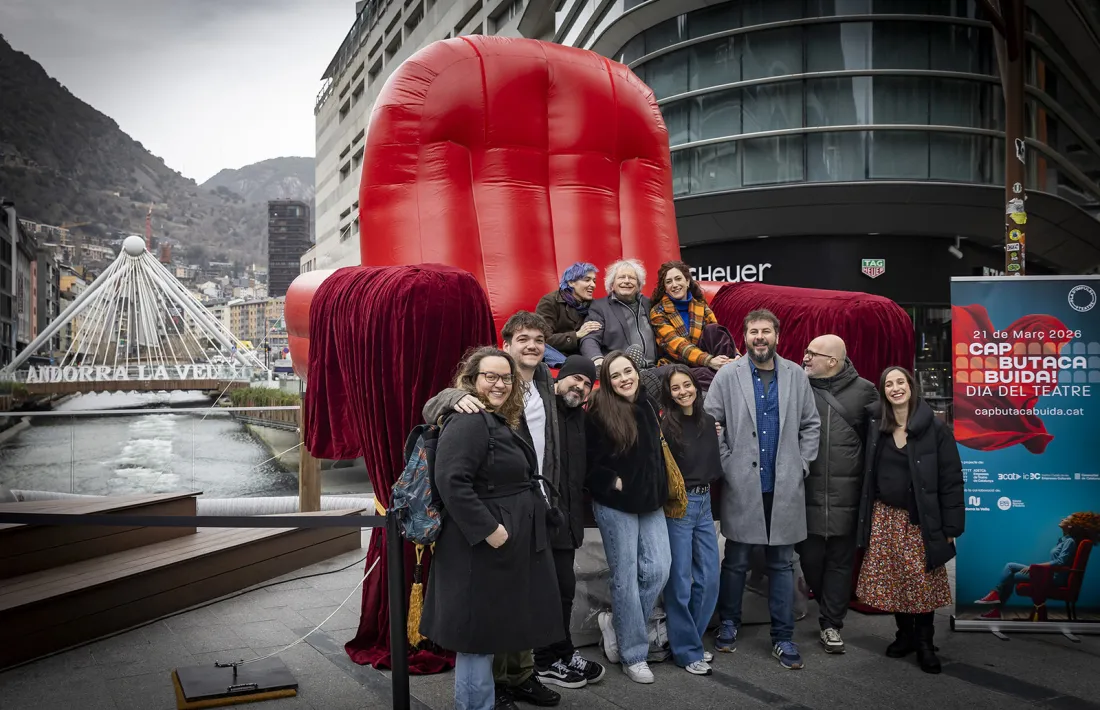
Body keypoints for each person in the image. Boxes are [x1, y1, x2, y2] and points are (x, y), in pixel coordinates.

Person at [423, 313, 595, 706]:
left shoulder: (543, 384)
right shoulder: (469, 412)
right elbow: (450, 470)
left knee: (524, 606)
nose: (532, 345)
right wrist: (452, 398)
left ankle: (519, 677)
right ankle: (493, 690)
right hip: (496, 526)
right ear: (506, 345)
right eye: (523, 338)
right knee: (489, 619)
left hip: (536, 516)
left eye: (539, 339)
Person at [703, 309, 820, 670]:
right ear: (745, 337)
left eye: (766, 331)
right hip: (742, 484)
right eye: (753, 331)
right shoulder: (728, 375)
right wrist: (726, 463)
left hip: (784, 486)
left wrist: (802, 463)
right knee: (736, 561)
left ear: (777, 337)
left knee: (782, 563)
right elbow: (710, 421)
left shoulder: (795, 375)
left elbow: (811, 424)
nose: (759, 337)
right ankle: (728, 623)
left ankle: (783, 638)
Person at [855, 366, 965, 675]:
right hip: (885, 517)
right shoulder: (876, 426)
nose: (895, 388)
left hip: (921, 519)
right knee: (895, 579)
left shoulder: (936, 429)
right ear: (883, 392)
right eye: (888, 384)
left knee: (921, 581)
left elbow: (952, 479)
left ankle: (925, 643)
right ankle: (904, 635)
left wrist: (952, 527)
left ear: (911, 386)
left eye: (900, 381)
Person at [586, 350, 671, 684]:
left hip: (650, 500)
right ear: (607, 382)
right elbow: (586, 460)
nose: (624, 379)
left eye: (628, 371)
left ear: (637, 372)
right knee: (625, 577)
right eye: (616, 375)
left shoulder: (648, 403)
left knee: (659, 569)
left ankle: (617, 623)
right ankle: (633, 653)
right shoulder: (598, 411)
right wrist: (611, 481)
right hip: (616, 503)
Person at [799, 334, 878, 654]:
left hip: (849, 497)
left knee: (841, 564)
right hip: (806, 496)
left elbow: (876, 443)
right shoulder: (799, 387)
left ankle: (831, 623)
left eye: (812, 353)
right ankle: (826, 605)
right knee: (810, 560)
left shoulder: (866, 391)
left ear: (832, 361)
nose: (805, 357)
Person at [532, 355, 606, 687]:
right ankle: (544, 660)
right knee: (546, 593)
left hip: (567, 522)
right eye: (575, 378)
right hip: (540, 518)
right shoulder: (540, 408)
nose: (580, 386)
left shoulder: (583, 420)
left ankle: (561, 652)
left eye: (587, 383)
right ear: (559, 377)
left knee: (564, 591)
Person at [659, 365, 722, 676]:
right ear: (669, 394)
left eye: (687, 385)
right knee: (680, 582)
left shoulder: (708, 422)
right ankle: (686, 652)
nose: (683, 391)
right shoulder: (666, 426)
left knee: (710, 578)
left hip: (705, 503)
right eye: (676, 388)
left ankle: (689, 641)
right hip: (680, 506)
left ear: (696, 387)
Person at [974, 511, 1100, 620]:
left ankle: (995, 603)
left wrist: (1034, 567)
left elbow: (1060, 562)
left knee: (1009, 576)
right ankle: (995, 597)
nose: (1062, 519)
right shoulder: (1064, 540)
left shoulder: (1070, 541)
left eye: (1066, 519)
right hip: (1050, 574)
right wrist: (1035, 568)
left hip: (1054, 578)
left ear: (1070, 525)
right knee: (1010, 567)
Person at [648, 261, 739, 390]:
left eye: (678, 279)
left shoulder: (701, 306)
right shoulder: (658, 312)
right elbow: (676, 345)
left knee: (713, 329)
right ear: (665, 288)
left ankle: (730, 367)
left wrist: (737, 356)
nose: (674, 285)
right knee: (704, 375)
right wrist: (709, 361)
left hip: (708, 360)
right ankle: (729, 378)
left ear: (687, 281)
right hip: (678, 364)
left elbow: (720, 337)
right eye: (669, 282)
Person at [578, 259, 658, 370]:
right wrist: (597, 360)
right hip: (620, 370)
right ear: (612, 284)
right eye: (621, 277)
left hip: (654, 367)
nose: (627, 281)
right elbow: (590, 339)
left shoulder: (649, 304)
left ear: (638, 284)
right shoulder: (600, 307)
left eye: (632, 278)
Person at [535, 263, 601, 367]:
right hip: (556, 353)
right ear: (571, 282)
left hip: (582, 354)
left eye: (594, 281)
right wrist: (576, 335)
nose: (593, 285)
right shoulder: (549, 302)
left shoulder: (595, 305)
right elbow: (544, 338)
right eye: (587, 280)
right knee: (540, 346)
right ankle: (573, 366)